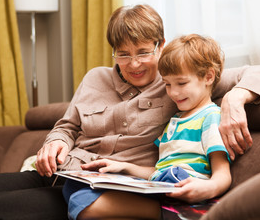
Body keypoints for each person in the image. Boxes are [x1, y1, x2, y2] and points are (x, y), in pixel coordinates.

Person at [0, 4, 260, 220]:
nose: (134, 64)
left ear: (160, 45)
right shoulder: (95, 78)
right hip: (57, 173)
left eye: (143, 52)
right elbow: (66, 125)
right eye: (123, 54)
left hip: (101, 188)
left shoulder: (176, 86)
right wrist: (55, 142)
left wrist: (235, 99)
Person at [66, 33, 232, 219]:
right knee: (74, 187)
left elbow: (223, 174)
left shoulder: (211, 117)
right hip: (163, 188)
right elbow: (159, 170)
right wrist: (123, 167)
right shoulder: (175, 120)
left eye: (182, 83)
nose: (174, 93)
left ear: (208, 76)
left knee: (83, 204)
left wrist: (206, 189)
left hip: (188, 197)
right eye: (168, 84)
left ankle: (174, 214)